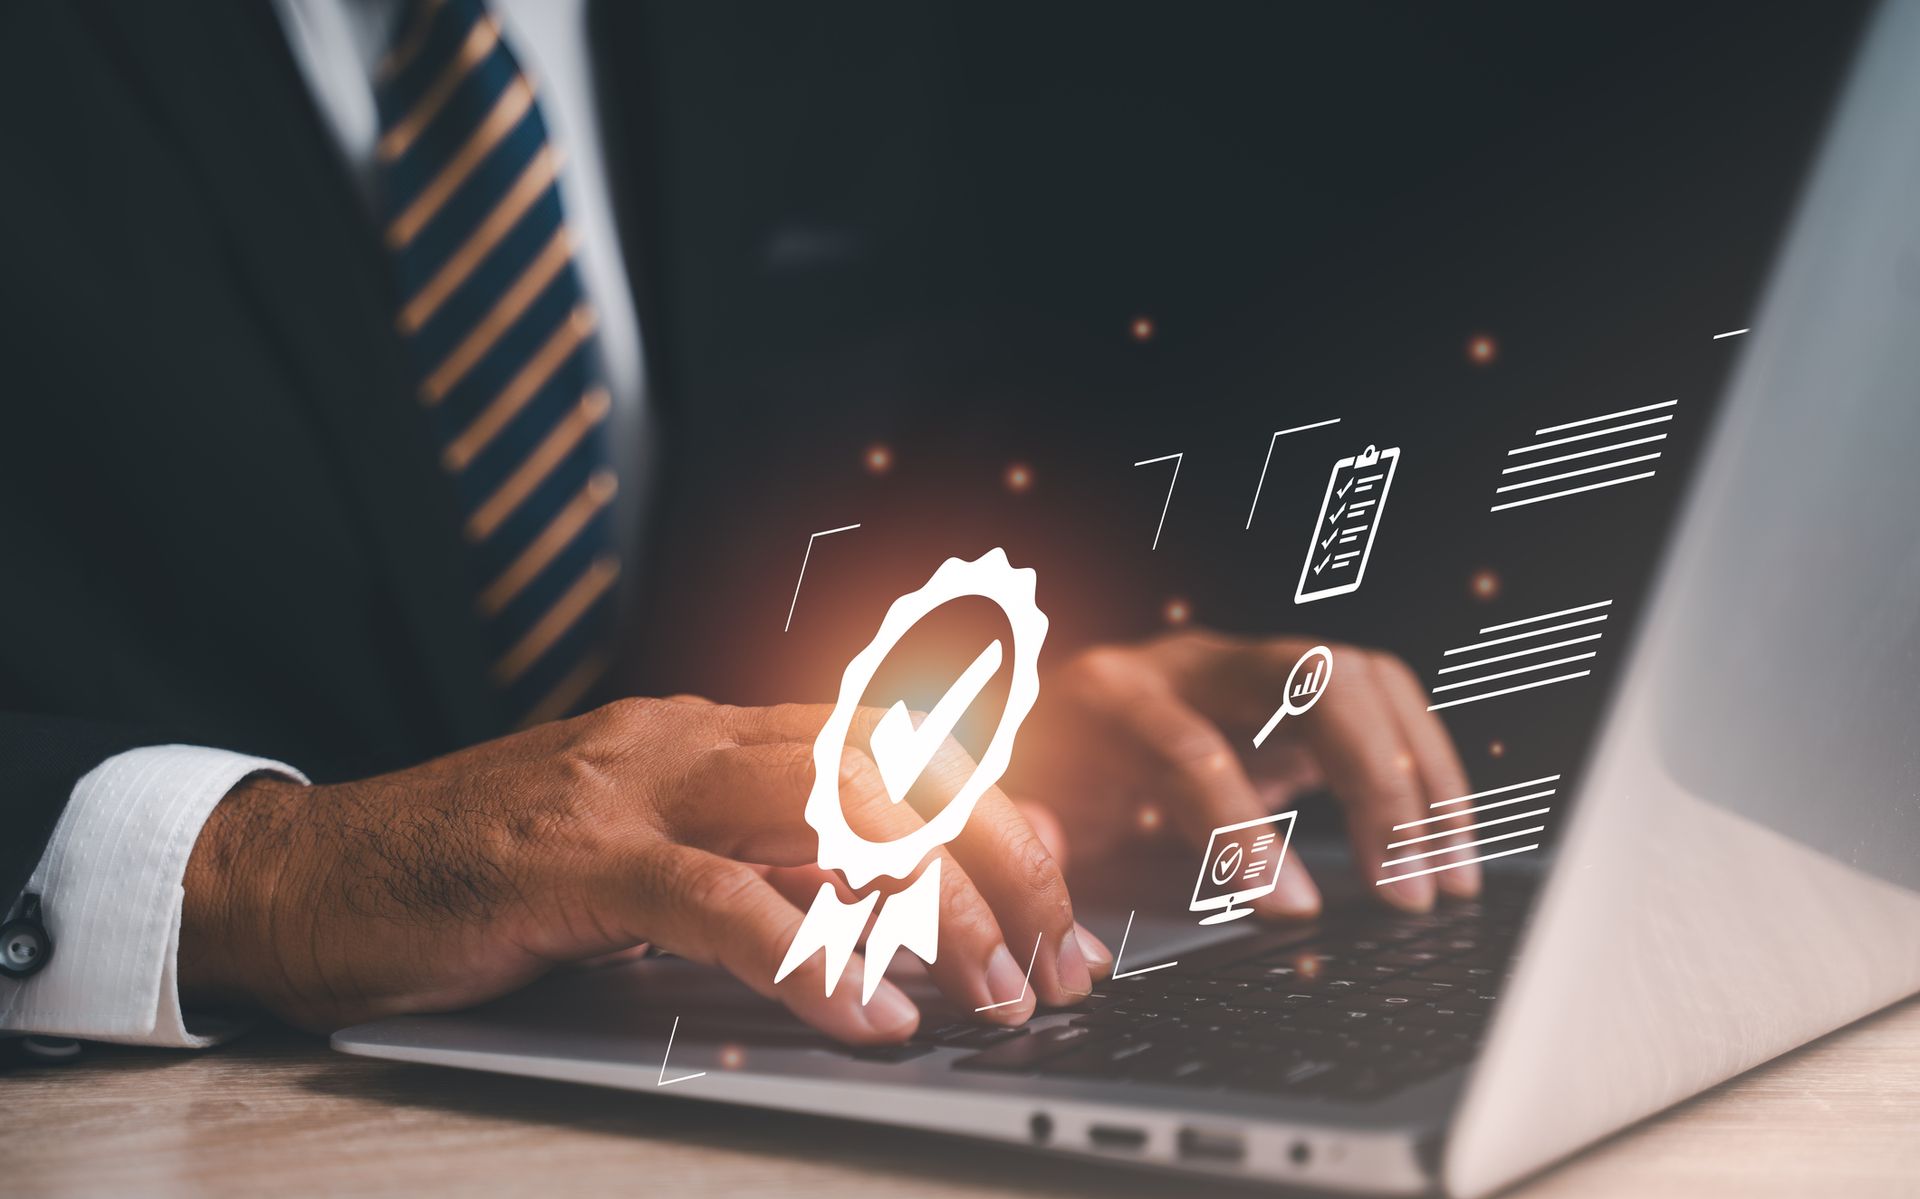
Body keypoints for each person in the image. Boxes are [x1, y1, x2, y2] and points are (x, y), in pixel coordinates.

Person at [0, 0, 1474, 1051]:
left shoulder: (806, 38)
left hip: (733, 1078)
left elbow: (880, 470)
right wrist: (263, 870)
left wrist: (990, 749)